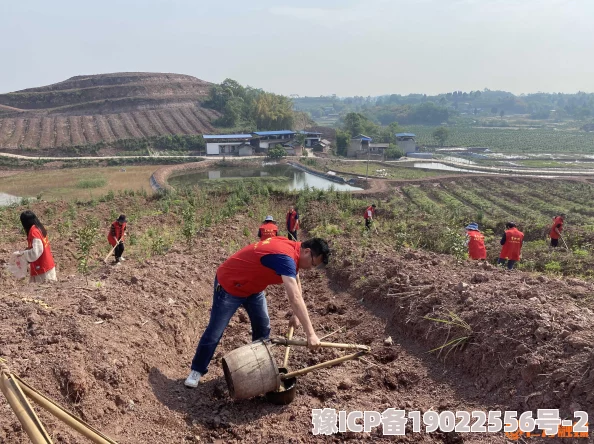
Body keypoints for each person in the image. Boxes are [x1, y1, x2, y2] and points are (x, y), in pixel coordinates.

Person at [185, 236, 331, 388]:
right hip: (230, 286)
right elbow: (294, 297)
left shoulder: (294, 249)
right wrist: (311, 334)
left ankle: (259, 371)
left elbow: (296, 275)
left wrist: (296, 315)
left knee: (263, 328)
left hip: (254, 289)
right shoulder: (285, 256)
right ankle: (197, 370)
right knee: (215, 331)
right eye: (313, 264)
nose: (311, 268)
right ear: (307, 251)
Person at [16, 211, 57, 283]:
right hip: (47, 265)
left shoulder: (34, 232)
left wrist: (23, 254)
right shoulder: (39, 228)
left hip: (43, 269)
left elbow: (36, 251)